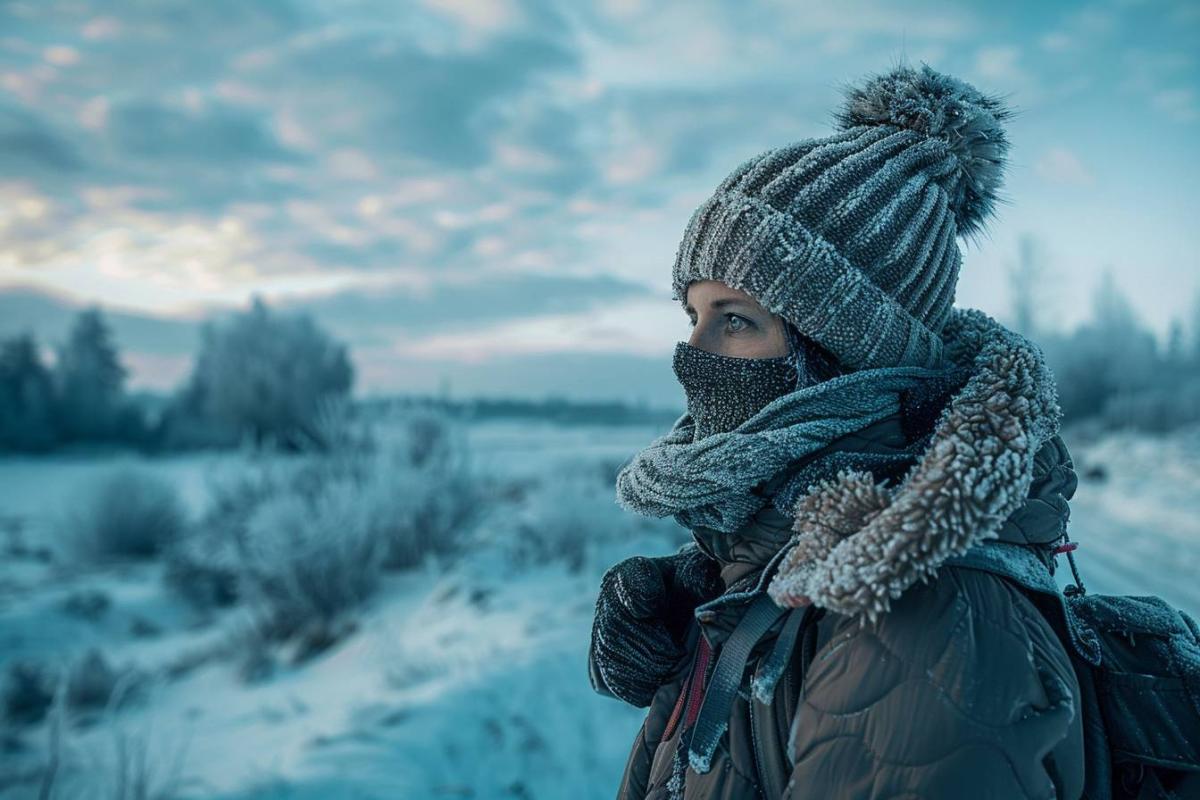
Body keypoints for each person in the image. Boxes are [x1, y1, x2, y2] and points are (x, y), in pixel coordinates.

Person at [588, 62, 1088, 800]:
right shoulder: (803, 571)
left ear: (847, 352)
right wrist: (709, 630)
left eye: (735, 319)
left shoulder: (913, 626)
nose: (694, 353)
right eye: (691, 315)